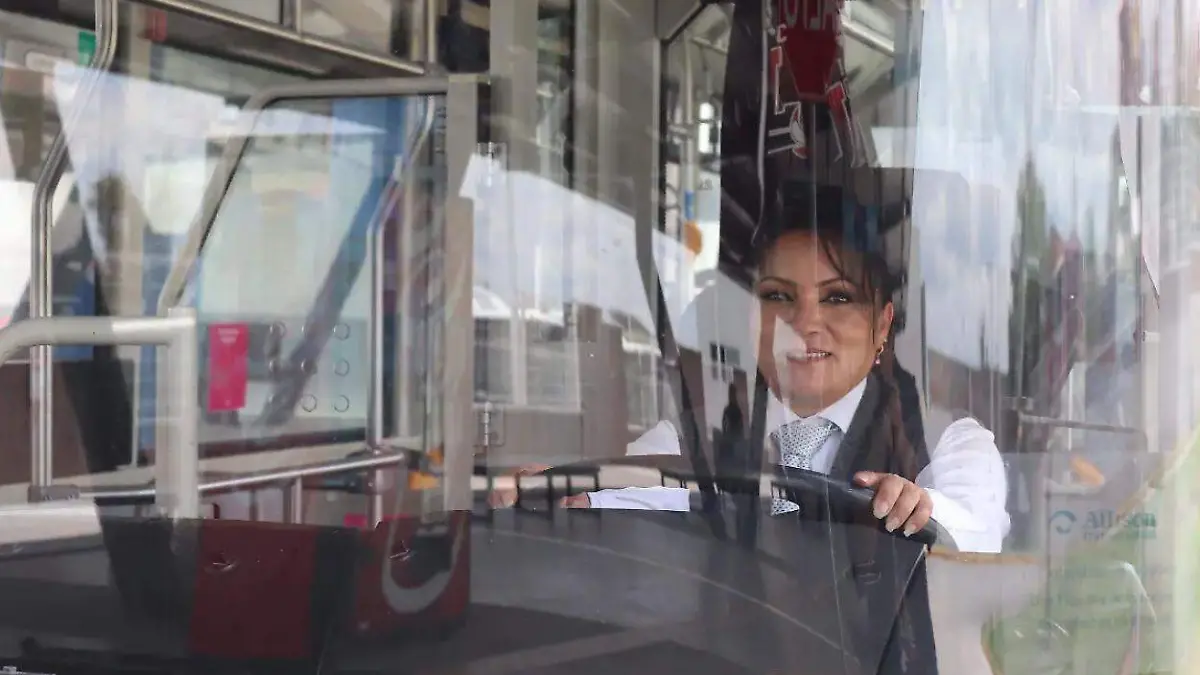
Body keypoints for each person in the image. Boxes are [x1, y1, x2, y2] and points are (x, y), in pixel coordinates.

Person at [491, 184, 1010, 555]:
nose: (805, 323)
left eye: (838, 298)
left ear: (882, 327)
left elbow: (978, 531)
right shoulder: (695, 434)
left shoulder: (947, 442)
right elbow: (633, 492)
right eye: (779, 296)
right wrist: (563, 495)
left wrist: (920, 509)